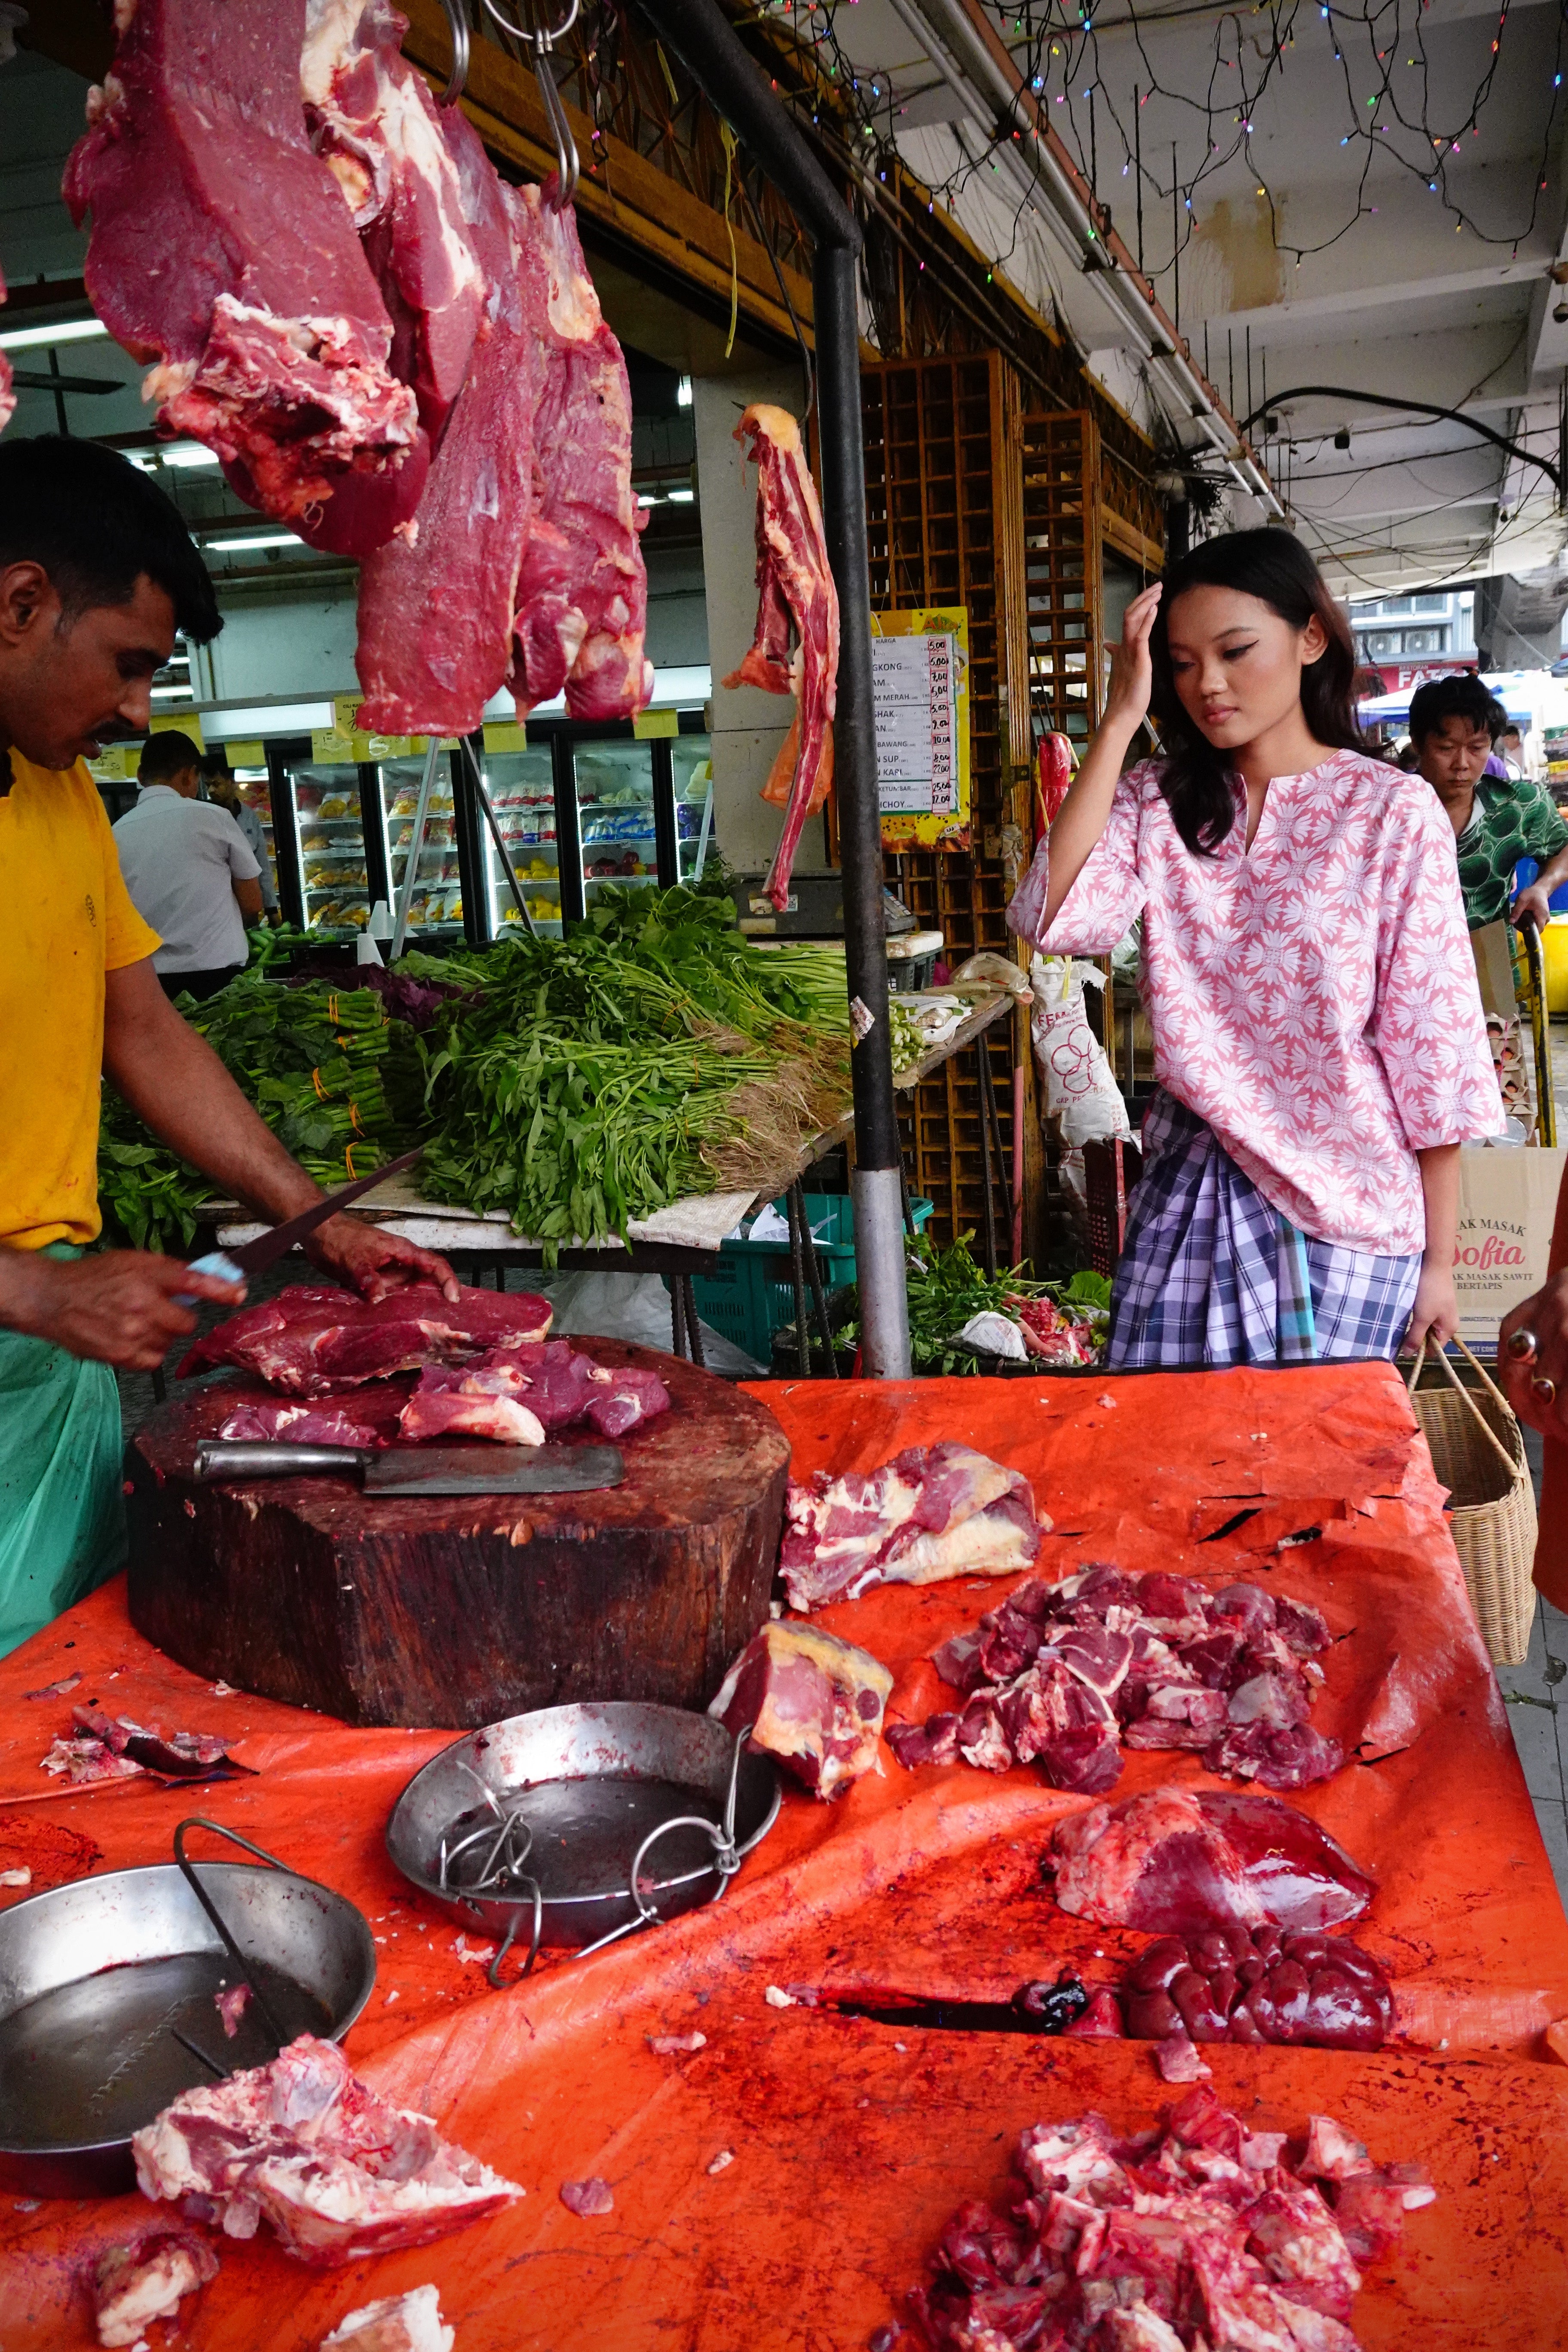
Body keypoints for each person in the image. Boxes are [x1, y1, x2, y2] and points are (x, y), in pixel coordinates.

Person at [0, 434, 456, 1658]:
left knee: (70, 1705)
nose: (141, 711)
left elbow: (143, 1032)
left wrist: (322, 1219)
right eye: (128, 665)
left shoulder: (58, 799)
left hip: (40, 1377)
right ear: (21, 603)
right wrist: (33, 1288)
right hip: (31, 1309)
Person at [1008, 527, 1501, 1369]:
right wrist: (1124, 716)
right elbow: (1050, 918)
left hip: (1348, 1214)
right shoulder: (1156, 801)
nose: (1209, 684)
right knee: (1169, 1479)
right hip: (1188, 1193)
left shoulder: (1390, 811)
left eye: (1236, 651)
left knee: (1308, 1489)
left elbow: (1433, 1049)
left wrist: (1443, 1264)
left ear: (1311, 637)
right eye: (1184, 661)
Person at [1409, 674, 1568, 932]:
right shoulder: (1387, 810)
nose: (1461, 764)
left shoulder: (1519, 805)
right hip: (1406, 964)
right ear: (1417, 742)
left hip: (1491, 962)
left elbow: (1563, 847)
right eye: (1446, 748)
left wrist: (1543, 886)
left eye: (1476, 748)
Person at [111, 729, 260, 1002]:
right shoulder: (216, 818)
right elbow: (252, 903)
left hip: (151, 982)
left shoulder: (115, 834)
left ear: (140, 777)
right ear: (189, 774)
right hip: (218, 977)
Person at [201, 748, 280, 923]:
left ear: (231, 782)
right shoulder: (204, 818)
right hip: (217, 910)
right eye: (208, 786)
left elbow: (263, 867)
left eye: (217, 784)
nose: (212, 790)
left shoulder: (249, 817)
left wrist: (271, 908)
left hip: (248, 908)